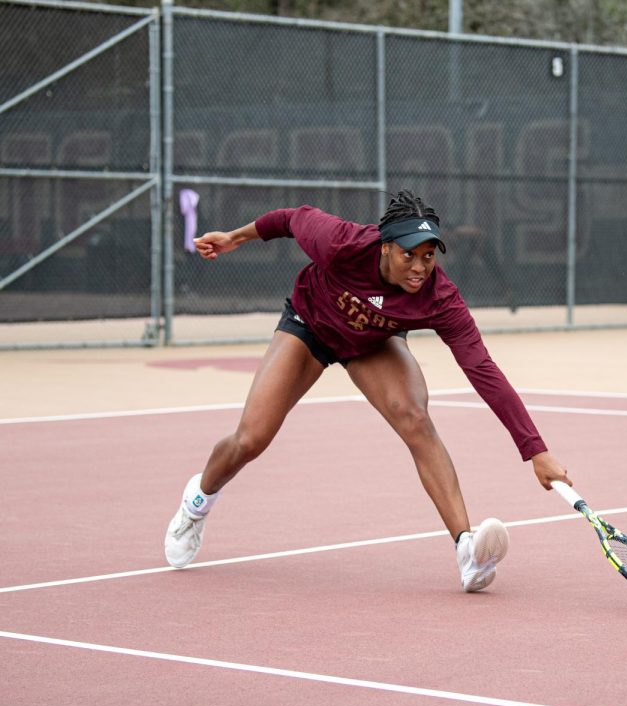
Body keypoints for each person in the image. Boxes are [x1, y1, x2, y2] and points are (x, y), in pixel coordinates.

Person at [164, 190, 571, 592]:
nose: (418, 267)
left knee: (416, 419)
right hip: (311, 326)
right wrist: (235, 238)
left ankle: (467, 550)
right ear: (385, 247)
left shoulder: (441, 298)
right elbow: (290, 218)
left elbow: (482, 369)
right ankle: (198, 501)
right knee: (251, 439)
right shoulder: (341, 243)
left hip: (373, 342)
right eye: (408, 254)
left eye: (428, 256)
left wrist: (535, 449)